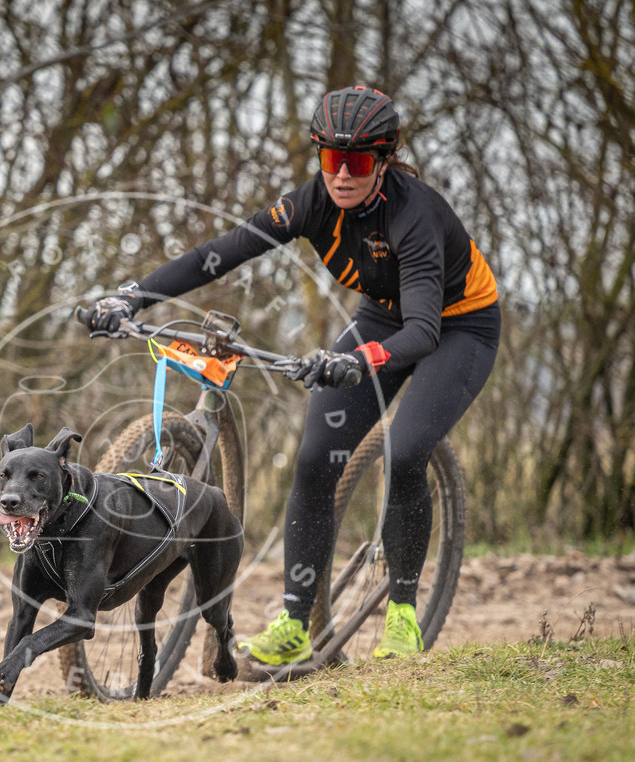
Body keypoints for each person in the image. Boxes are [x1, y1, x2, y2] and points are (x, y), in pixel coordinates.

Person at [84, 85, 500, 663]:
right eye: (331, 159)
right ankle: (295, 623)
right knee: (314, 459)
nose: (342, 175)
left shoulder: (415, 216)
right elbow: (219, 254)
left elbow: (424, 332)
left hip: (457, 327)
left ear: (383, 162)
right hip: (382, 316)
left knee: (406, 450)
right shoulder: (310, 203)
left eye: (357, 163)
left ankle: (404, 613)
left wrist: (356, 360)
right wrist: (133, 297)